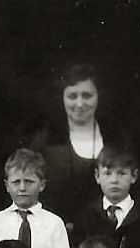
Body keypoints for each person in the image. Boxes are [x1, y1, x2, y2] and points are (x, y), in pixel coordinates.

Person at [28, 63, 128, 232]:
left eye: (87, 95)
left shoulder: (116, 138)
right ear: (62, 98)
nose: (80, 103)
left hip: (108, 232)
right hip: (60, 232)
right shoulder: (46, 141)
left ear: (98, 96)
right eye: (72, 96)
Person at [72, 145, 140, 248]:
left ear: (133, 176)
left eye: (121, 173)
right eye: (107, 173)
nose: (114, 180)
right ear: (97, 176)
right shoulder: (87, 216)